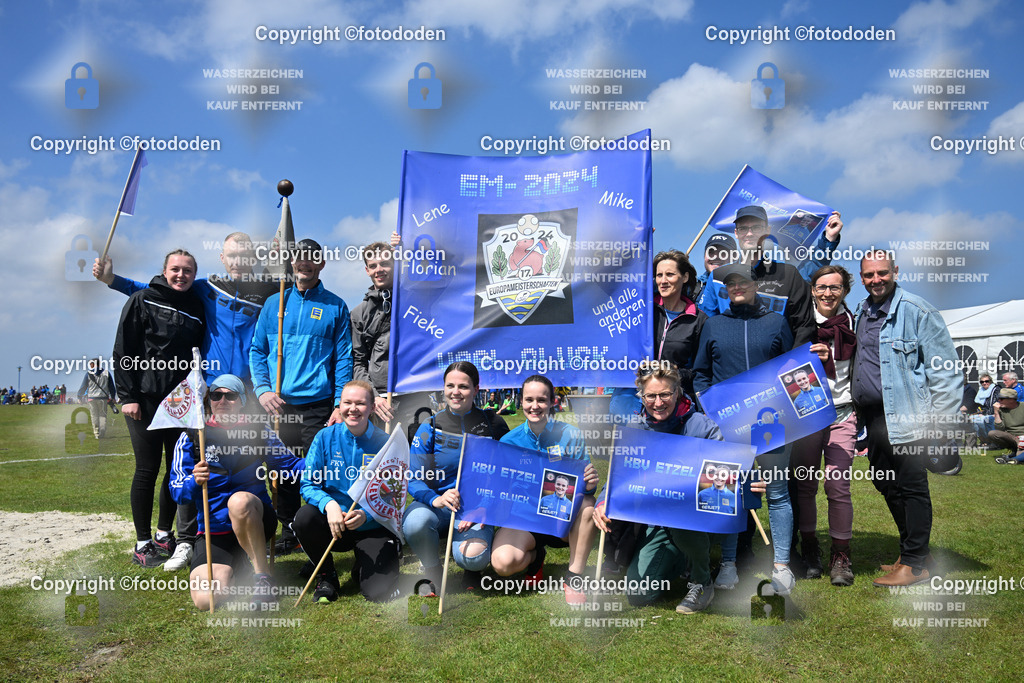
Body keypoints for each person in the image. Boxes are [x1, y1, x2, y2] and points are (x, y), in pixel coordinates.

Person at [851, 250, 961, 587]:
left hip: (909, 415)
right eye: (869, 275)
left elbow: (945, 371)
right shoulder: (862, 311)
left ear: (895, 271)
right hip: (873, 418)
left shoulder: (917, 311)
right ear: (861, 277)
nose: (876, 280)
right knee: (885, 481)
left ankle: (914, 564)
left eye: (882, 273)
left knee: (912, 486)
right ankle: (915, 552)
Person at [693, 262, 796, 595]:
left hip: (771, 422)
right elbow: (701, 374)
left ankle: (782, 566)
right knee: (729, 493)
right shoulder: (714, 325)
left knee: (777, 493)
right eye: (730, 283)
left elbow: (790, 370)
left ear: (756, 285)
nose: (736, 287)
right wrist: (712, 409)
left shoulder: (776, 322)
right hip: (728, 426)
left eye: (743, 282)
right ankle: (727, 564)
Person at [249, 238, 353, 555]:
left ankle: (317, 529)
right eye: (298, 258)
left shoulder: (336, 306)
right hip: (279, 406)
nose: (304, 263)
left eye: (311, 258)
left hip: (318, 406)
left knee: (315, 471)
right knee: (281, 473)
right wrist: (263, 390)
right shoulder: (274, 304)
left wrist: (338, 404)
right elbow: (257, 351)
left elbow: (344, 359)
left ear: (321, 263)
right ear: (291, 263)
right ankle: (288, 529)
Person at [594, 362, 724, 613]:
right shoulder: (634, 429)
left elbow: (728, 470)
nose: (658, 402)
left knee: (680, 518)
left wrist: (747, 482)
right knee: (638, 595)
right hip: (655, 519)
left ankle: (702, 581)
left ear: (677, 392)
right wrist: (602, 502)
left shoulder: (701, 426)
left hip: (696, 513)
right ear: (641, 396)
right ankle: (682, 559)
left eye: (665, 394)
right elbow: (619, 475)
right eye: (650, 395)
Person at [169, 374, 304, 608]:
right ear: (208, 400)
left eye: (230, 396)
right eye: (216, 395)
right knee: (206, 600)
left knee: (239, 502)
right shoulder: (191, 436)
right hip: (215, 531)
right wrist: (193, 481)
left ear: (242, 400)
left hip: (257, 519)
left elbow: (289, 466)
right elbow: (178, 492)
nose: (222, 401)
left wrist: (326, 463)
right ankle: (241, 562)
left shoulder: (257, 431)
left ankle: (262, 578)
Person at [113, 249, 206, 568]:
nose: (181, 275)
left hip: (180, 404)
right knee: (147, 469)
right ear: (164, 271)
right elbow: (123, 350)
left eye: (188, 271)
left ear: (195, 274)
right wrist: (128, 396)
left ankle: (165, 533)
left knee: (175, 472)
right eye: (176, 269)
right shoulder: (143, 299)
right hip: (145, 401)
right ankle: (142, 542)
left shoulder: (197, 305)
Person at [95, 232, 278, 386]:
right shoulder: (207, 288)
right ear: (222, 258)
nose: (236, 262)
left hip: (253, 383)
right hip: (211, 383)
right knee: (211, 430)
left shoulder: (272, 292)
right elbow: (155, 293)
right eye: (231, 256)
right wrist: (111, 279)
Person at [403, 361, 510, 593]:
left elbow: (508, 473)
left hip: (476, 509)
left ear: (476, 390)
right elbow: (413, 478)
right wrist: (435, 499)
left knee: (473, 558)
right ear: (443, 388)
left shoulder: (494, 424)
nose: (456, 392)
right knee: (414, 523)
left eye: (463, 386)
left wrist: (486, 506)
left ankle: (471, 570)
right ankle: (433, 571)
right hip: (439, 506)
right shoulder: (430, 426)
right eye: (450, 385)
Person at [492, 375, 599, 604]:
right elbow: (498, 486)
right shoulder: (509, 441)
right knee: (502, 563)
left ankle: (574, 577)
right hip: (525, 518)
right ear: (520, 401)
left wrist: (590, 484)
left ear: (552, 402)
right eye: (529, 399)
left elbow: (586, 485)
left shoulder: (571, 435)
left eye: (541, 400)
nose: (535, 406)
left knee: (589, 507)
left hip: (563, 517)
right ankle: (535, 557)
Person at [293, 380, 401, 603]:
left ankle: (362, 565)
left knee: (377, 592)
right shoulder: (324, 437)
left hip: (371, 526)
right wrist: (329, 504)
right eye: (347, 402)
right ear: (339, 406)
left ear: (372, 407)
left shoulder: (386, 443)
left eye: (360, 403)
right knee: (304, 518)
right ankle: (326, 576)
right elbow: (308, 484)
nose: (353, 408)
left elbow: (394, 496)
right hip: (334, 525)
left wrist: (367, 515)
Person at [790, 265, 858, 586]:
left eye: (835, 287)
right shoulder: (801, 322)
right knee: (805, 485)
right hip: (806, 413)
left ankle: (840, 555)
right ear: (812, 290)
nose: (828, 293)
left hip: (843, 412)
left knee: (837, 485)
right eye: (821, 287)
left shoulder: (855, 322)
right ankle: (810, 548)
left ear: (845, 290)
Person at [727, 205, 843, 346]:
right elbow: (706, 329)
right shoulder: (718, 278)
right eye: (743, 228)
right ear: (736, 233)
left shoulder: (787, 275)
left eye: (756, 228)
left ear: (767, 231)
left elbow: (803, 329)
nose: (749, 234)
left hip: (780, 365)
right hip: (732, 366)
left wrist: (828, 240)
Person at [77, 358, 117, 439]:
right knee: (102, 415)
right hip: (103, 398)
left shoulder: (88, 373)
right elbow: (112, 387)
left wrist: (79, 397)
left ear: (93, 364)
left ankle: (97, 433)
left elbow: (83, 386)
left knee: (94, 416)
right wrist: (113, 397)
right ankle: (102, 432)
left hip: (92, 398)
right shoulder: (106, 373)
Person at [991, 388, 1024, 463]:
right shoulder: (1001, 410)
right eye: (999, 398)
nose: (999, 400)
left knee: (1019, 455)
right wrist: (996, 412)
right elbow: (999, 428)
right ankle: (1014, 455)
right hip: (1011, 436)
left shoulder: (1022, 407)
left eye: (1002, 399)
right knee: (992, 433)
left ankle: (1012, 458)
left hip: (1023, 437)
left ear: (1011, 399)